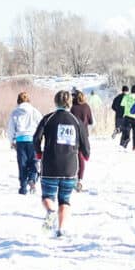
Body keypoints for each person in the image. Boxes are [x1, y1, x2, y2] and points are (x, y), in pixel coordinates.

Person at [34, 89, 91, 238]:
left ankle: (50, 211)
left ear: (55, 102)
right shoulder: (76, 121)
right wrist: (86, 155)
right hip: (70, 167)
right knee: (65, 200)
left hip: (50, 165)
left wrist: (39, 153)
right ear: (69, 103)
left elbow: (36, 138)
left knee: (47, 196)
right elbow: (85, 143)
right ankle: (60, 229)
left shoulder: (48, 118)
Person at [7, 90, 40, 195]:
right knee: (33, 162)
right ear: (28, 100)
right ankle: (32, 179)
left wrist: (12, 140)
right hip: (32, 140)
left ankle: (23, 187)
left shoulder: (15, 112)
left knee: (22, 164)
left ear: (18, 101)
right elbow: (41, 122)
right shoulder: (34, 111)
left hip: (20, 141)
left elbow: (10, 128)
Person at [69, 89, 95, 191]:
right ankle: (80, 179)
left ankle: (73, 177)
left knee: (73, 156)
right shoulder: (86, 107)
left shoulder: (72, 108)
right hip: (84, 134)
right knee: (81, 157)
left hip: (73, 134)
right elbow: (91, 121)